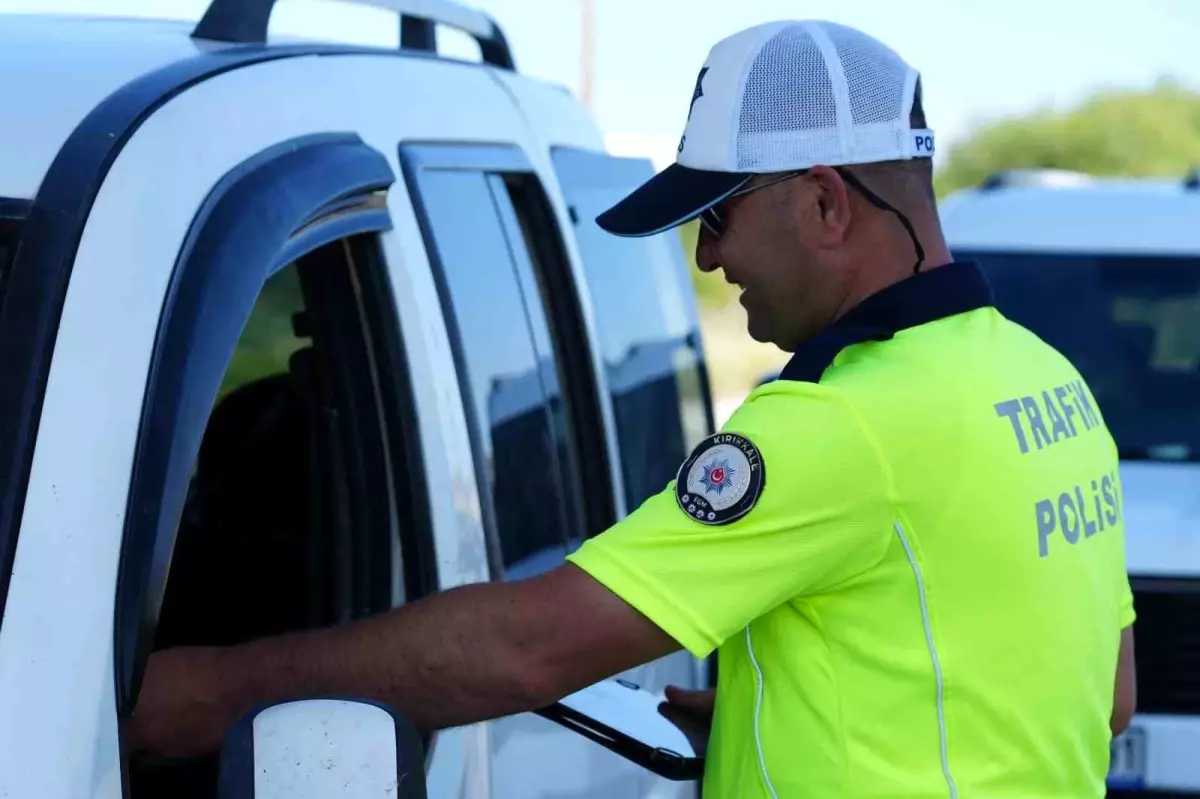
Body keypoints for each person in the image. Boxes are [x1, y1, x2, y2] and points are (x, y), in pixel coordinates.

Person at [129, 19, 1137, 798]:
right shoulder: (1041, 380)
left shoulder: (841, 421)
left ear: (827, 203)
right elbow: (1103, 697)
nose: (707, 258)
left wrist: (217, 693)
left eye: (719, 213)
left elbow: (530, 646)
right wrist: (773, 712)